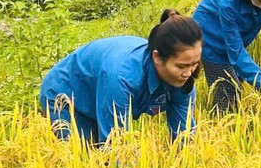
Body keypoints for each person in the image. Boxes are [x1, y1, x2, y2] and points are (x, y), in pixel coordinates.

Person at [39, 10, 203, 145]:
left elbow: (184, 136)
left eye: (194, 63)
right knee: (80, 161)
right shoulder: (122, 78)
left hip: (102, 93)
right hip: (66, 95)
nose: (188, 73)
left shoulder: (184, 80)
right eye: (181, 66)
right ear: (157, 58)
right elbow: (115, 146)